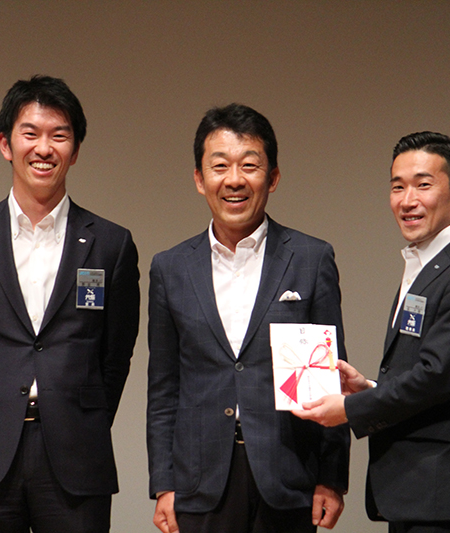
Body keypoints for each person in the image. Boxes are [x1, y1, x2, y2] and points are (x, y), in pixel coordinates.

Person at [0, 75, 140, 533]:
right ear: (6, 144)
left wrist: (84, 418)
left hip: (77, 455)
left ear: (75, 150)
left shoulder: (111, 244)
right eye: (31, 133)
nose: (44, 148)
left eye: (59, 135)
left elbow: (116, 353)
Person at [146, 103, 350, 533]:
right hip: (200, 483)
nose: (234, 179)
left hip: (289, 477)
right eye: (219, 166)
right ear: (199, 179)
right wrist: (164, 483)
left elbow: (332, 376)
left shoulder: (310, 259)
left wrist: (332, 478)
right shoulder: (170, 267)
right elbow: (164, 386)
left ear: (272, 178)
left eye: (249, 165)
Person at [294, 131, 450, 533]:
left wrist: (351, 409)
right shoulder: (428, 266)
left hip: (448, 498)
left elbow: (437, 376)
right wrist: (370, 388)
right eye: (397, 187)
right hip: (420, 495)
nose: (407, 200)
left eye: (423, 185)